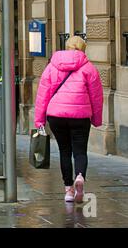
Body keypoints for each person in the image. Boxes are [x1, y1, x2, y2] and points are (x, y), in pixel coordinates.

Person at [34, 36, 103, 204]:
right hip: (80, 116)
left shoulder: (52, 66)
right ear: (82, 48)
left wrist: (39, 120)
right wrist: (96, 118)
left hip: (56, 116)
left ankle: (68, 190)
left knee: (64, 151)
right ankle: (79, 177)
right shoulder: (89, 68)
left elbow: (43, 95)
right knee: (80, 151)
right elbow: (96, 96)